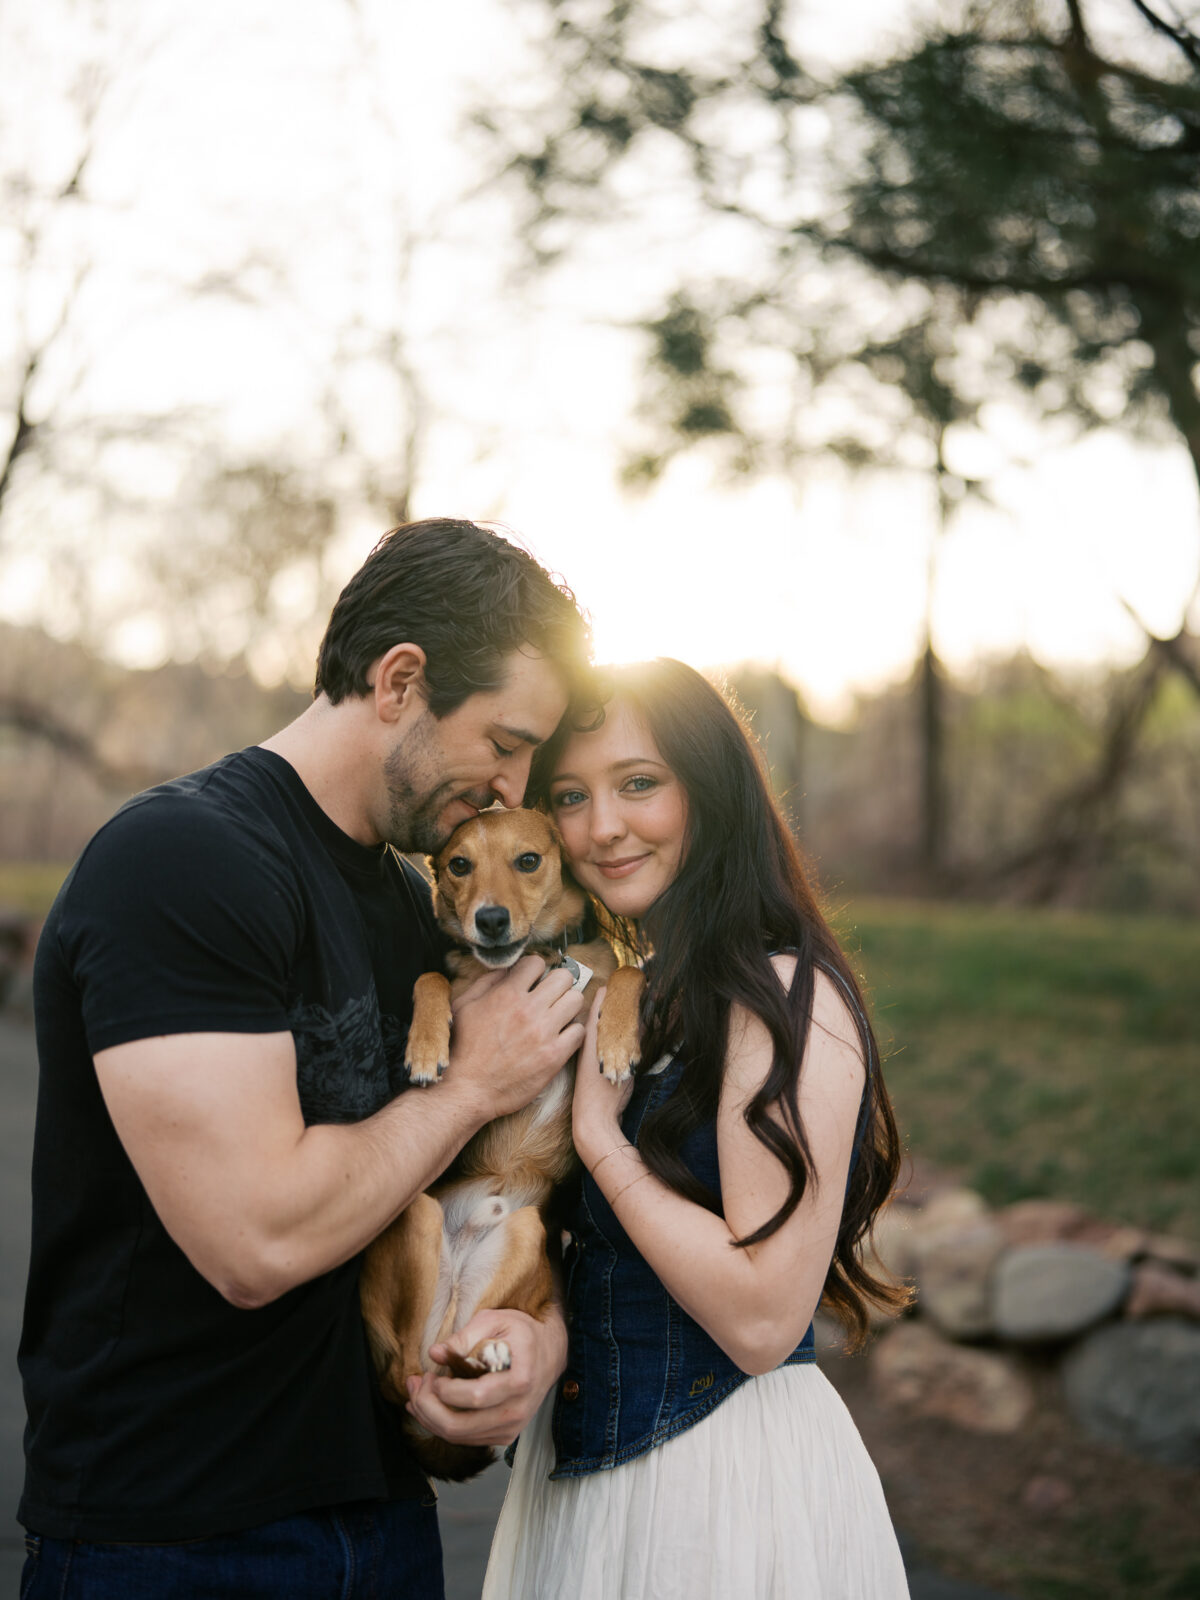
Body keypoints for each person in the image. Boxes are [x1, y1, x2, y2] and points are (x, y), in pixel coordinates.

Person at [19, 519, 595, 1600]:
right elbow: (255, 1238)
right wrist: (475, 1080)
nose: (514, 781)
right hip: (175, 1543)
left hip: (383, 1520)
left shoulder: (416, 900)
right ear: (401, 679)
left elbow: (490, 1180)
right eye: (506, 741)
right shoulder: (182, 861)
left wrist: (532, 1342)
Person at [482, 658, 912, 1600]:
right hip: (584, 1492)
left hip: (716, 1495)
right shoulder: (643, 995)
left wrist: (603, 1142)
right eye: (570, 796)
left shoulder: (782, 996)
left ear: (710, 792)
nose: (603, 827)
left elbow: (763, 1318)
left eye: (641, 783)